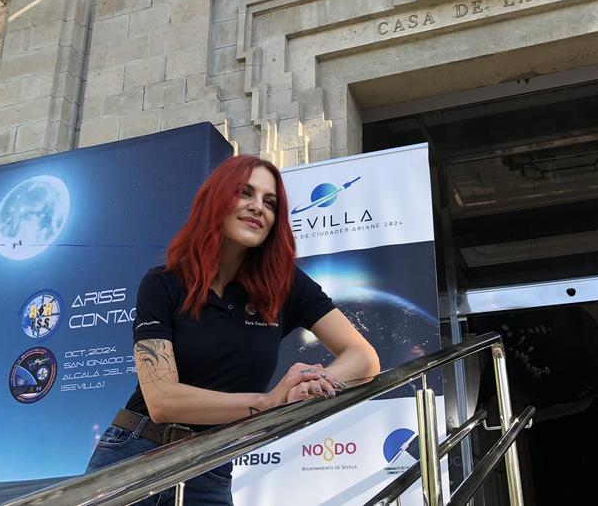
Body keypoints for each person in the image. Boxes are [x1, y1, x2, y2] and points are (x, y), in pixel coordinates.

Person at [86, 155, 381, 504]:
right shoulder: (164, 283)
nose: (258, 207)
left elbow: (364, 358)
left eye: (270, 202)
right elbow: (162, 400)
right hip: (135, 455)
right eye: (245, 192)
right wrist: (268, 402)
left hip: (211, 467)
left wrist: (315, 383)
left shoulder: (286, 286)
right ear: (217, 199)